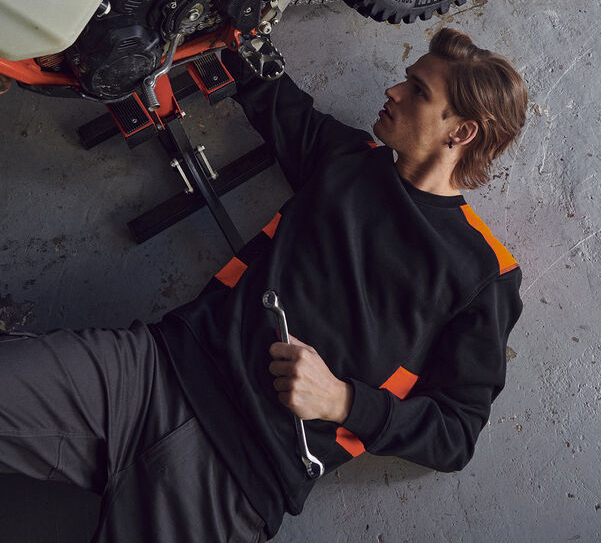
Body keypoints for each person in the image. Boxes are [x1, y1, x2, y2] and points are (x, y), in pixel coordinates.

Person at [0, 27, 527, 543]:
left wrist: (343, 401)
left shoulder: (485, 273)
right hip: (152, 372)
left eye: (417, 90)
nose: (393, 90)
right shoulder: (347, 159)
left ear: (461, 133)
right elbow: (255, 74)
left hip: (237, 479)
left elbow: (456, 435)